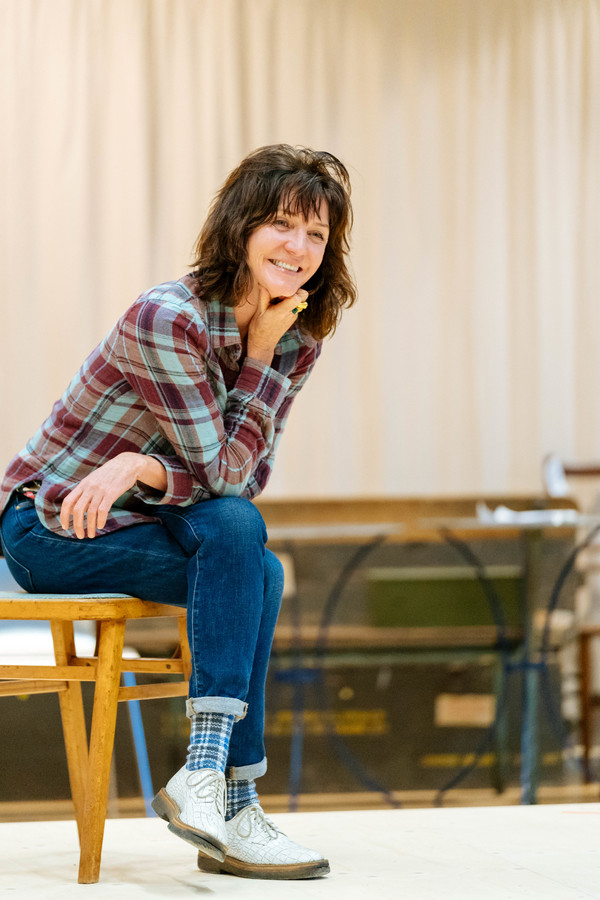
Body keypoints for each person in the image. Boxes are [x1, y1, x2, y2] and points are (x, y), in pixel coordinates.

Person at [0, 144, 356, 880]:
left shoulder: (301, 337)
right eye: (283, 225)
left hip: (154, 518)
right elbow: (227, 471)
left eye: (316, 235)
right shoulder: (170, 319)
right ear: (241, 227)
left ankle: (206, 784)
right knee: (256, 570)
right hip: (52, 526)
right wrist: (255, 357)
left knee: (242, 537)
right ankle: (231, 795)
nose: (298, 248)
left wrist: (145, 466)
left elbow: (243, 480)